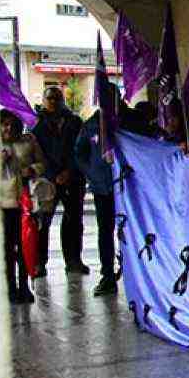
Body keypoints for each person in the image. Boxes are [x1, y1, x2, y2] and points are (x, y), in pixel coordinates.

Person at [31, 86, 89, 276]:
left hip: (73, 177)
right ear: (44, 100)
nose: (54, 102)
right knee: (42, 222)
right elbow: (34, 152)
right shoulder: (35, 124)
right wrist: (52, 173)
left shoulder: (75, 121)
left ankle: (73, 260)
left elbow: (81, 148)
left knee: (74, 220)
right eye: (50, 98)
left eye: (57, 98)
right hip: (47, 180)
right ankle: (40, 262)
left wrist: (69, 171)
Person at [0, 111, 47, 303]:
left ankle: (24, 286)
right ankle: (10, 288)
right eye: (4, 124)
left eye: (12, 124)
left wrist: (32, 169)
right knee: (7, 249)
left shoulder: (29, 141)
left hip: (26, 204)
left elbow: (42, 164)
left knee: (26, 247)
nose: (8, 128)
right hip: (3, 204)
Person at [74, 108, 119, 297]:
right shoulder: (90, 126)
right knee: (105, 231)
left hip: (125, 187)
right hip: (102, 187)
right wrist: (92, 173)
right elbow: (79, 153)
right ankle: (107, 275)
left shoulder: (124, 122)